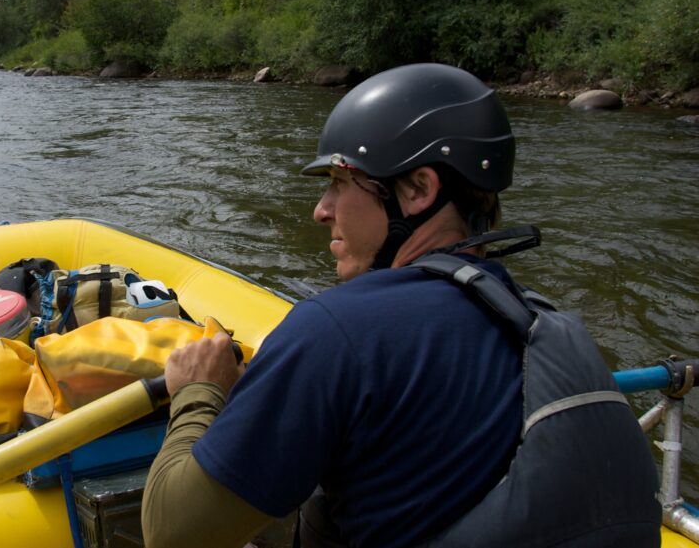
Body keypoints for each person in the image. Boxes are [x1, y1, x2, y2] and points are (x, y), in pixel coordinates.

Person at [141, 63, 661, 547]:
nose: (321, 210)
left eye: (341, 182)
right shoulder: (545, 321)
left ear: (417, 189)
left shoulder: (336, 331)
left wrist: (199, 392)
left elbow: (174, 533)